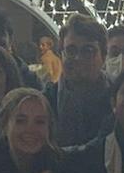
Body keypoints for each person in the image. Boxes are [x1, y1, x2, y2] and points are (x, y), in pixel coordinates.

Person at [46, 14, 115, 148]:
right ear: (61, 54)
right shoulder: (46, 101)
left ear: (104, 56)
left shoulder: (118, 101)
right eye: (71, 50)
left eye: (88, 51)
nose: (78, 57)